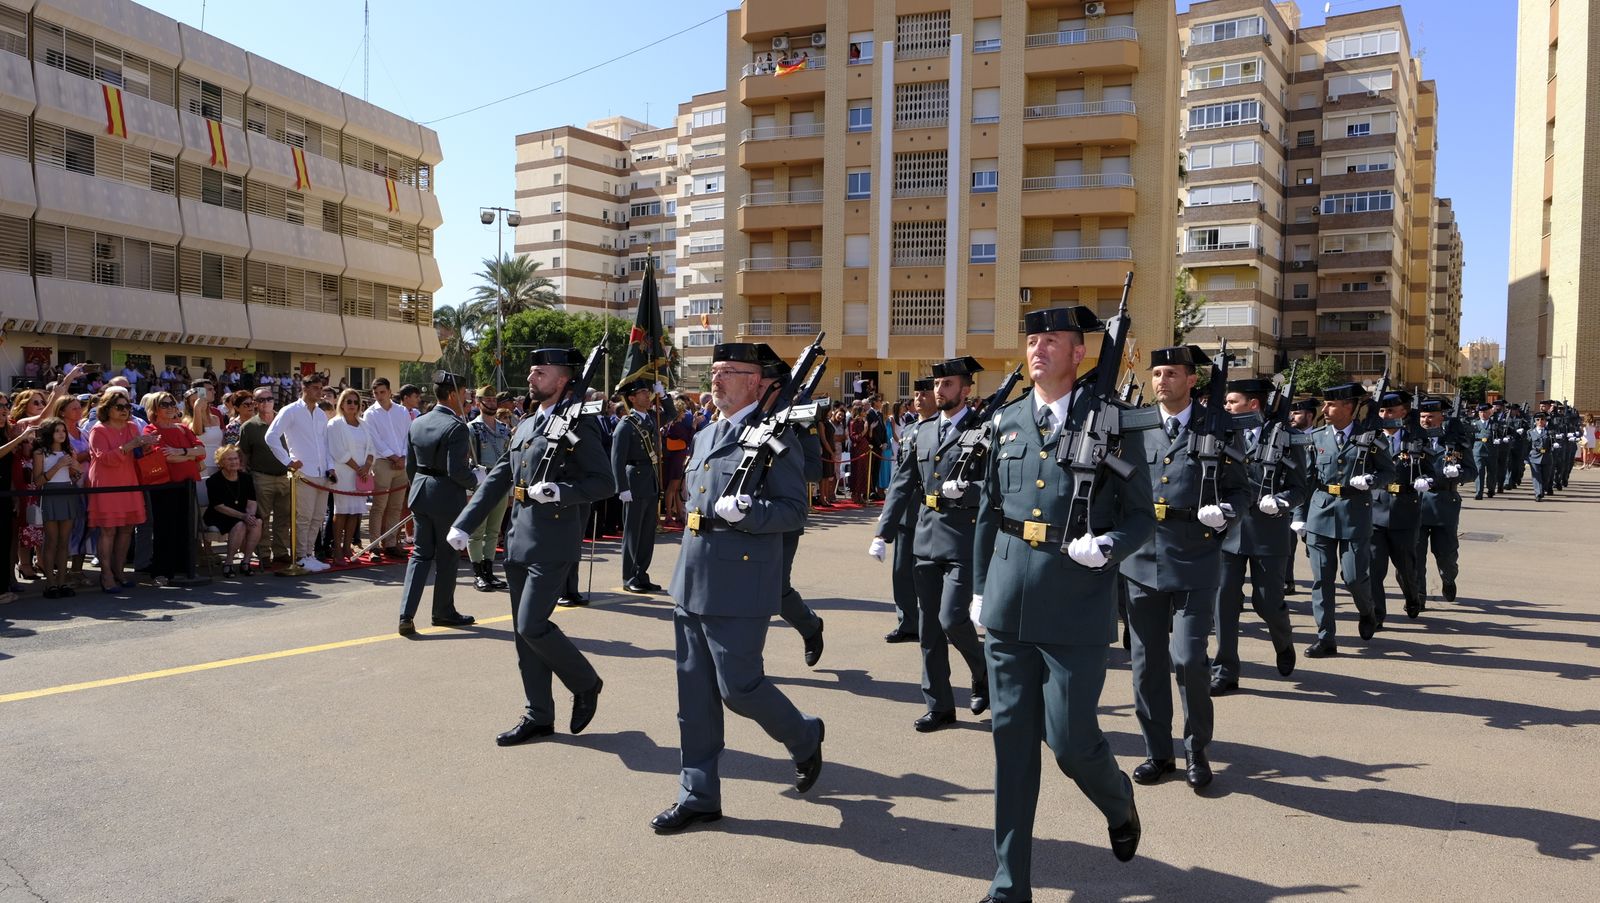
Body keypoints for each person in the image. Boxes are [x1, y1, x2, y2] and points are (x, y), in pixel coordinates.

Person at [971, 306, 1153, 902]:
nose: (1038, 348)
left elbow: (1140, 517)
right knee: (1011, 750)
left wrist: (1109, 545)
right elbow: (988, 513)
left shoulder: (1115, 424)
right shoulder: (1007, 421)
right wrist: (978, 588)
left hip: (1076, 602)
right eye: (1032, 339)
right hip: (1007, 601)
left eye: (1053, 340)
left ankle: (1118, 799)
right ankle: (1009, 884)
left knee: (1072, 743)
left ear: (1080, 354)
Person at [649, 342, 824, 835]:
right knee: (694, 698)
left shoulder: (776, 437)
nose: (717, 379)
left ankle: (804, 734)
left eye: (729, 371)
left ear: (758, 381)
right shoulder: (705, 436)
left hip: (741, 580)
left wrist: (751, 513)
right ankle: (699, 794)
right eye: (715, 370)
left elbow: (794, 510)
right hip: (692, 579)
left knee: (739, 688)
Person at [449, 349, 611, 746]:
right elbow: (499, 477)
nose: (532, 375)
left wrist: (560, 491)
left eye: (543, 371)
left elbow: (603, 482)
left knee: (531, 625)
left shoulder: (579, 425)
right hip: (519, 540)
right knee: (524, 637)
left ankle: (585, 682)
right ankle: (538, 714)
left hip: (553, 540)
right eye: (533, 370)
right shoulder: (526, 424)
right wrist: (464, 524)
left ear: (564, 379)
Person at [1120, 345, 1246, 792]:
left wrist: (1226, 511)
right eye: (1156, 373)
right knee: (1145, 664)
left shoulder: (1219, 427)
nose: (1161, 381)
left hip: (1195, 555)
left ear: (1192, 380)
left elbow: (1240, 488)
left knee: (1190, 659)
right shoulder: (1133, 425)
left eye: (1171, 373)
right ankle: (1158, 751)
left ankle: (1196, 747)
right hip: (1140, 559)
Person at [870, 356, 990, 732]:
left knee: (953, 618)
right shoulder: (921, 432)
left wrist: (969, 489)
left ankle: (983, 670)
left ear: (966, 389)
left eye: (949, 384)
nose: (940, 391)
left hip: (963, 541)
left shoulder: (985, 430)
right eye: (938, 385)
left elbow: (1000, 487)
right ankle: (939, 705)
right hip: (926, 539)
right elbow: (903, 486)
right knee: (929, 631)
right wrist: (882, 532)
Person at [1210, 378, 1306, 697]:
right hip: (1229, 531)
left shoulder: (1287, 438)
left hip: (1268, 531)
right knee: (1223, 604)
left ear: (1253, 405)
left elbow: (1301, 486)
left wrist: (1282, 502)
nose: (1226, 407)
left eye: (1232, 401)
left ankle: (1283, 640)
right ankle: (1225, 670)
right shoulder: (1221, 435)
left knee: (1266, 602)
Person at [1292, 383, 1397, 657]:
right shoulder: (1316, 437)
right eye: (1324, 405)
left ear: (1349, 407)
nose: (1324, 410)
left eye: (1331, 405)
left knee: (1353, 577)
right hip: (1320, 512)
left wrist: (1372, 480)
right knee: (1321, 579)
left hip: (1355, 513)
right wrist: (1299, 515)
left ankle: (1368, 611)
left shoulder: (1370, 437)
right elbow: (1306, 480)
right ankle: (1326, 638)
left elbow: (1389, 472)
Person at [395, 373, 478, 635]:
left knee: (420, 555)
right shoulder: (457, 426)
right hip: (446, 495)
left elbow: (411, 465)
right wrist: (478, 479)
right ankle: (443, 611)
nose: (466, 397)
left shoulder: (419, 421)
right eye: (464, 392)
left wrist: (421, 487)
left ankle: (406, 615)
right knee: (448, 555)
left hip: (420, 492)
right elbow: (457, 471)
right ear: (453, 394)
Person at [758, 348, 825, 667]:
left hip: (783, 516)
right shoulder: (750, 415)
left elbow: (815, 469)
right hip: (746, 513)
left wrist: (783, 459)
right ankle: (745, 663)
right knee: (751, 588)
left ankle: (810, 626)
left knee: (775, 589)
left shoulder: (801, 422)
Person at [263, 371, 336, 573]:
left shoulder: (321, 414)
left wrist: (330, 467)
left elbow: (326, 443)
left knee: (317, 517)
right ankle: (300, 556)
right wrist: (288, 461)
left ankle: (309, 554)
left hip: (322, 473)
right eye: (315, 388)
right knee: (303, 517)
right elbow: (271, 436)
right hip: (304, 473)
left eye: (321, 388)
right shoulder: (290, 411)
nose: (319, 392)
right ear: (304, 389)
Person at [1369, 391, 1428, 625]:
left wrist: (1427, 481)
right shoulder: (1370, 438)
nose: (1385, 415)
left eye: (1390, 410)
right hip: (1375, 509)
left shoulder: (1415, 439)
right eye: (1382, 411)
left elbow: (1430, 469)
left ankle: (1412, 596)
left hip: (1404, 510)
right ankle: (1376, 614)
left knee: (1405, 567)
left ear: (1404, 412)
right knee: (1374, 567)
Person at [883, 378, 934, 644]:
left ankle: (934, 623)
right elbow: (900, 474)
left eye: (924, 394)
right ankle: (908, 622)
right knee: (901, 572)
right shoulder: (911, 430)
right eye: (916, 394)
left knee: (928, 574)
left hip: (931, 514)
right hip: (905, 512)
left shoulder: (943, 429)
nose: (919, 398)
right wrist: (889, 506)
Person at [144, 392, 207, 586]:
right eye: (165, 404)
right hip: (164, 485)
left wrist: (182, 452)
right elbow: (165, 457)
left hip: (186, 484)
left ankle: (184, 567)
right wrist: (191, 456)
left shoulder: (182, 429)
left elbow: (202, 451)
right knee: (165, 528)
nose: (171, 407)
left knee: (186, 527)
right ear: (155, 409)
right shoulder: (151, 430)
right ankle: (161, 571)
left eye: (173, 403)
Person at [613, 379, 663, 594]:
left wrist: (665, 396)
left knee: (647, 533)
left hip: (650, 480)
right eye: (643, 392)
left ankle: (642, 574)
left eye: (648, 392)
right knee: (633, 533)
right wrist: (622, 487)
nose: (647, 395)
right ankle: (629, 576)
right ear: (632, 398)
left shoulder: (651, 419)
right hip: (634, 481)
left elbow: (668, 413)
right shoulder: (626, 424)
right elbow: (616, 459)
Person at [238, 388, 292, 568]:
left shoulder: (284, 422)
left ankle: (281, 552)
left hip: (285, 476)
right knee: (262, 518)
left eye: (269, 399)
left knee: (283, 518)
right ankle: (263, 553)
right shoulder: (249, 427)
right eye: (261, 400)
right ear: (255, 403)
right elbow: (244, 457)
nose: (266, 402)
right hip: (261, 477)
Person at [465, 385, 511, 591]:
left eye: (493, 400)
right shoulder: (472, 428)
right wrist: (468, 491)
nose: (491, 403)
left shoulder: (503, 429)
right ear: (478, 403)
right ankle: (478, 573)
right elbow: (466, 460)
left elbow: (509, 459)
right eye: (487, 400)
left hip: (500, 482)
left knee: (493, 530)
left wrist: (509, 490)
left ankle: (489, 570)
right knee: (477, 531)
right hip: (480, 483)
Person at [363, 377, 413, 559]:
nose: (379, 396)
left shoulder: (401, 411)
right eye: (376, 393)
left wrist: (402, 457)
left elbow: (409, 435)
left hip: (402, 461)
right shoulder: (370, 414)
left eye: (382, 392)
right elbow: (375, 440)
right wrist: (393, 456)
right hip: (383, 461)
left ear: (390, 392)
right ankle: (374, 545)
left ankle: (391, 543)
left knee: (396, 506)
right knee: (379, 506)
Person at [32, 417, 81, 598]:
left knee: (64, 541)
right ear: (49, 433)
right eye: (57, 430)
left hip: (67, 493)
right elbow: (37, 481)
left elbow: (75, 475)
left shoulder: (69, 451)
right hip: (50, 495)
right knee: (51, 541)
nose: (61, 434)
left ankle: (62, 581)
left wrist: (75, 468)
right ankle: (50, 583)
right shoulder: (40, 453)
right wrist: (58, 465)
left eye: (63, 431)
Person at [326, 388, 376, 566]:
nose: (353, 405)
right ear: (341, 403)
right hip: (344, 473)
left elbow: (372, 447)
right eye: (349, 401)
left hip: (362, 474)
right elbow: (337, 450)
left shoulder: (364, 424)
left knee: (356, 512)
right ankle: (337, 549)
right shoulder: (335, 424)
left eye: (356, 402)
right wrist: (358, 468)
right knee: (341, 512)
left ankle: (348, 547)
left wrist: (367, 465)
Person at [1282, 397, 1319, 596]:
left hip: (1314, 502)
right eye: (1291, 413)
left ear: (1310, 415)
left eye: (1297, 413)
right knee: (1286, 544)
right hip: (1292, 498)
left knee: (1314, 547)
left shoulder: (1319, 437)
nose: (1292, 417)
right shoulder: (1286, 436)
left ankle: (1321, 581)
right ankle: (1288, 580)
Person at [205, 446, 260, 577]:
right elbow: (219, 506)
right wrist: (243, 516)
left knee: (257, 522)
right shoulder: (214, 480)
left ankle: (246, 562)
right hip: (219, 514)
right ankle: (228, 563)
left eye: (235, 458)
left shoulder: (246, 478)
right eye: (229, 459)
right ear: (221, 462)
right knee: (240, 524)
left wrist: (250, 515)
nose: (234, 462)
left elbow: (252, 501)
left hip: (243, 512)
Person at [662, 397, 693, 526]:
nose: (685, 414)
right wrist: (694, 425)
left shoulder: (671, 425)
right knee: (672, 488)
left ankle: (679, 514)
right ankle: (669, 516)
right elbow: (689, 438)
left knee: (675, 489)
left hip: (674, 459)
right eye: (683, 411)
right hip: (675, 460)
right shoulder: (677, 425)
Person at [1471, 404, 1498, 500]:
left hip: (1491, 450)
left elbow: (1501, 435)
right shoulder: (1474, 424)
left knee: (1492, 472)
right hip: (1478, 450)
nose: (1482, 414)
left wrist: (1500, 440)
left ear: (1489, 413)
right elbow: (1470, 438)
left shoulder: (1495, 424)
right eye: (1481, 412)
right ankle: (1479, 492)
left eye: (1485, 412)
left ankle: (1491, 489)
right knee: (1479, 471)